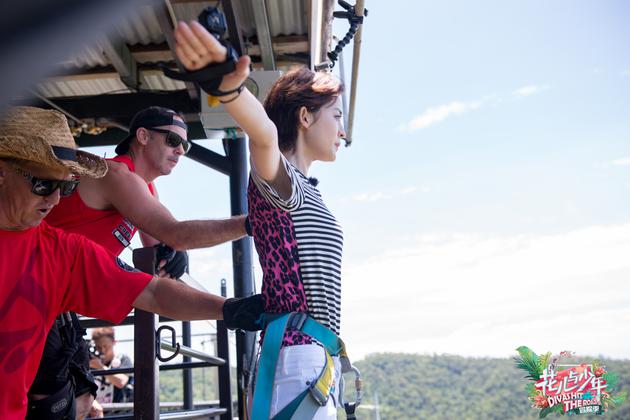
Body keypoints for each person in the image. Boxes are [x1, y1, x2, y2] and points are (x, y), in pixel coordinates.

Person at [0, 106, 263, 420]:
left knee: (78, 400)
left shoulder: (73, 244)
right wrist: (253, 222)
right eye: (173, 140)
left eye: (66, 186)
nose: (56, 199)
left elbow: (155, 281)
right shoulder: (118, 175)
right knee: (54, 403)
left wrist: (229, 308)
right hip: (44, 296)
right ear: (143, 136)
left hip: (53, 293)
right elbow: (176, 234)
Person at [173, 21, 349, 419]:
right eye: (336, 116)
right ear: (305, 117)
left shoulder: (304, 189)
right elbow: (264, 135)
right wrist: (231, 91)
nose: (342, 130)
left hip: (311, 361)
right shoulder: (284, 183)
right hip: (299, 361)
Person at [89, 328, 133, 406]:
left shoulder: (123, 359)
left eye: (106, 346)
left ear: (114, 342)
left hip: (118, 410)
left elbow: (121, 382)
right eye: (98, 347)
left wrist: (100, 367)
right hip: (95, 410)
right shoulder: (90, 363)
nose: (102, 350)